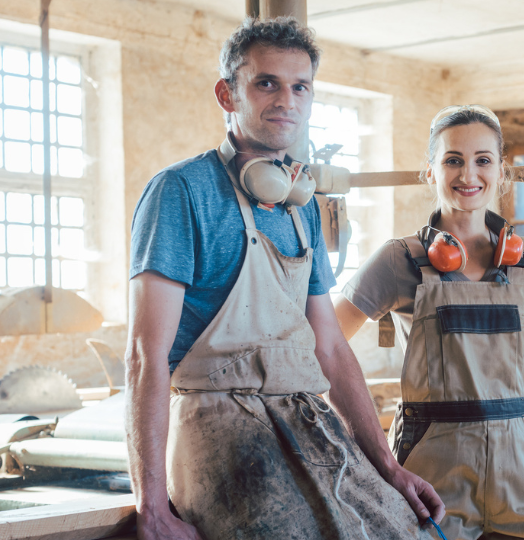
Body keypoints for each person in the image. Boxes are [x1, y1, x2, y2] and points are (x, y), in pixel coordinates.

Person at [125, 17, 443, 540]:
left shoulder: (302, 207)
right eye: (266, 83)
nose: (286, 100)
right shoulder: (181, 192)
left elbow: (332, 350)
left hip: (304, 416)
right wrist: (152, 508)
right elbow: (144, 354)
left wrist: (389, 468)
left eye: (301, 87)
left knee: (412, 529)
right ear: (228, 94)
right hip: (219, 423)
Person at [334, 105, 524, 539]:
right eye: (453, 159)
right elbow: (326, 346)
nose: (468, 173)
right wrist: (377, 460)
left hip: (523, 470)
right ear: (430, 172)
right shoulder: (402, 259)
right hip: (432, 475)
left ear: (501, 171)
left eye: (482, 160)